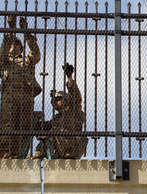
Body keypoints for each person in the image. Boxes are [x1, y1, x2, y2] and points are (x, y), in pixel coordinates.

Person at [0, 16, 41, 158]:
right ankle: (5, 151)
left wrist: (26, 32)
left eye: (16, 44)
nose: (13, 46)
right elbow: (3, 51)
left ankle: (16, 152)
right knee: (7, 124)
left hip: (25, 95)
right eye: (11, 44)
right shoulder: (4, 60)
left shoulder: (27, 60)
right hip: (9, 94)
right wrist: (11, 30)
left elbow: (36, 53)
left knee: (21, 125)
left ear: (21, 48)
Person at [33, 63, 87, 159]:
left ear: (65, 99)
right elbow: (46, 126)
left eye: (59, 99)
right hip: (60, 147)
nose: (56, 102)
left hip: (73, 146)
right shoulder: (57, 118)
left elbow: (75, 95)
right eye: (55, 100)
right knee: (45, 134)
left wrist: (69, 78)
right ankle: (37, 154)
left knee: (53, 132)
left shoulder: (75, 110)